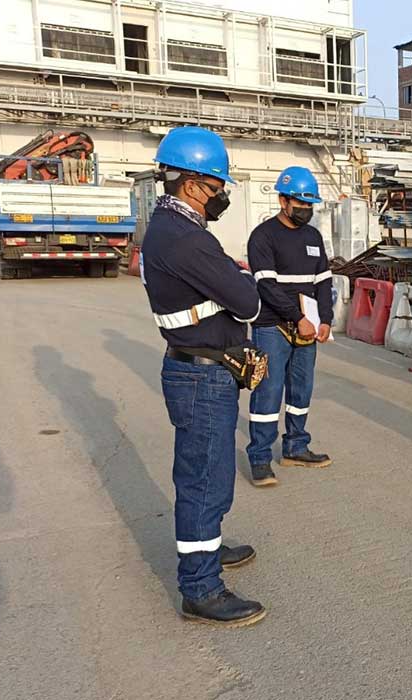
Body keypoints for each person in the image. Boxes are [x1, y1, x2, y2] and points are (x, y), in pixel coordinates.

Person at [140, 126, 267, 627]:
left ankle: (209, 546)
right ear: (193, 184)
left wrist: (232, 278)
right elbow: (249, 301)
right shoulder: (188, 239)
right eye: (218, 187)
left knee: (211, 474)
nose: (222, 196)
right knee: (202, 477)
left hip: (202, 369)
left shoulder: (172, 229)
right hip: (201, 376)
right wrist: (238, 279)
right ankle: (200, 586)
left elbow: (231, 288)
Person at [245, 166, 334, 487]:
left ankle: (296, 447)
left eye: (310, 205)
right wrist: (298, 319)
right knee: (268, 392)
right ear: (283, 200)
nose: (305, 210)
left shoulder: (313, 237)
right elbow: (266, 286)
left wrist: (325, 319)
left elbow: (323, 280)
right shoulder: (263, 237)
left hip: (308, 327)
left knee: (301, 390)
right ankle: (259, 458)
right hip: (272, 327)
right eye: (300, 203)